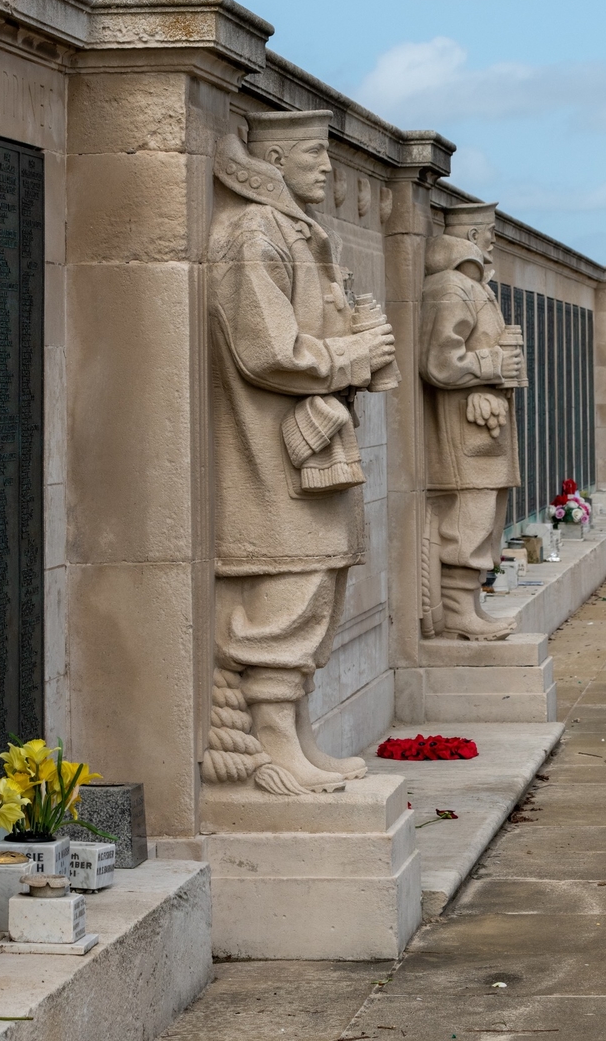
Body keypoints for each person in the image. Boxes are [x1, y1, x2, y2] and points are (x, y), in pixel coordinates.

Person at [207, 110, 396, 791]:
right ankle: (270, 747)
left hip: (310, 457)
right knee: (288, 592)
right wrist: (354, 353)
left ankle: (295, 734)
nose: (327, 168)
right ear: (277, 160)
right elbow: (268, 352)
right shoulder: (253, 232)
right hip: (269, 460)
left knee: (316, 587)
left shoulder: (291, 231)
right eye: (314, 154)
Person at [420, 203, 521, 640]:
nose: (493, 242)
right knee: (470, 517)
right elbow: (440, 361)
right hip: (465, 431)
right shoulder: (453, 286)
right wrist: (496, 362)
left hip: (485, 429)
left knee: (486, 517)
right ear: (473, 236)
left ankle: (470, 605)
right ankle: (459, 612)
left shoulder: (473, 287)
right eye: (489, 234)